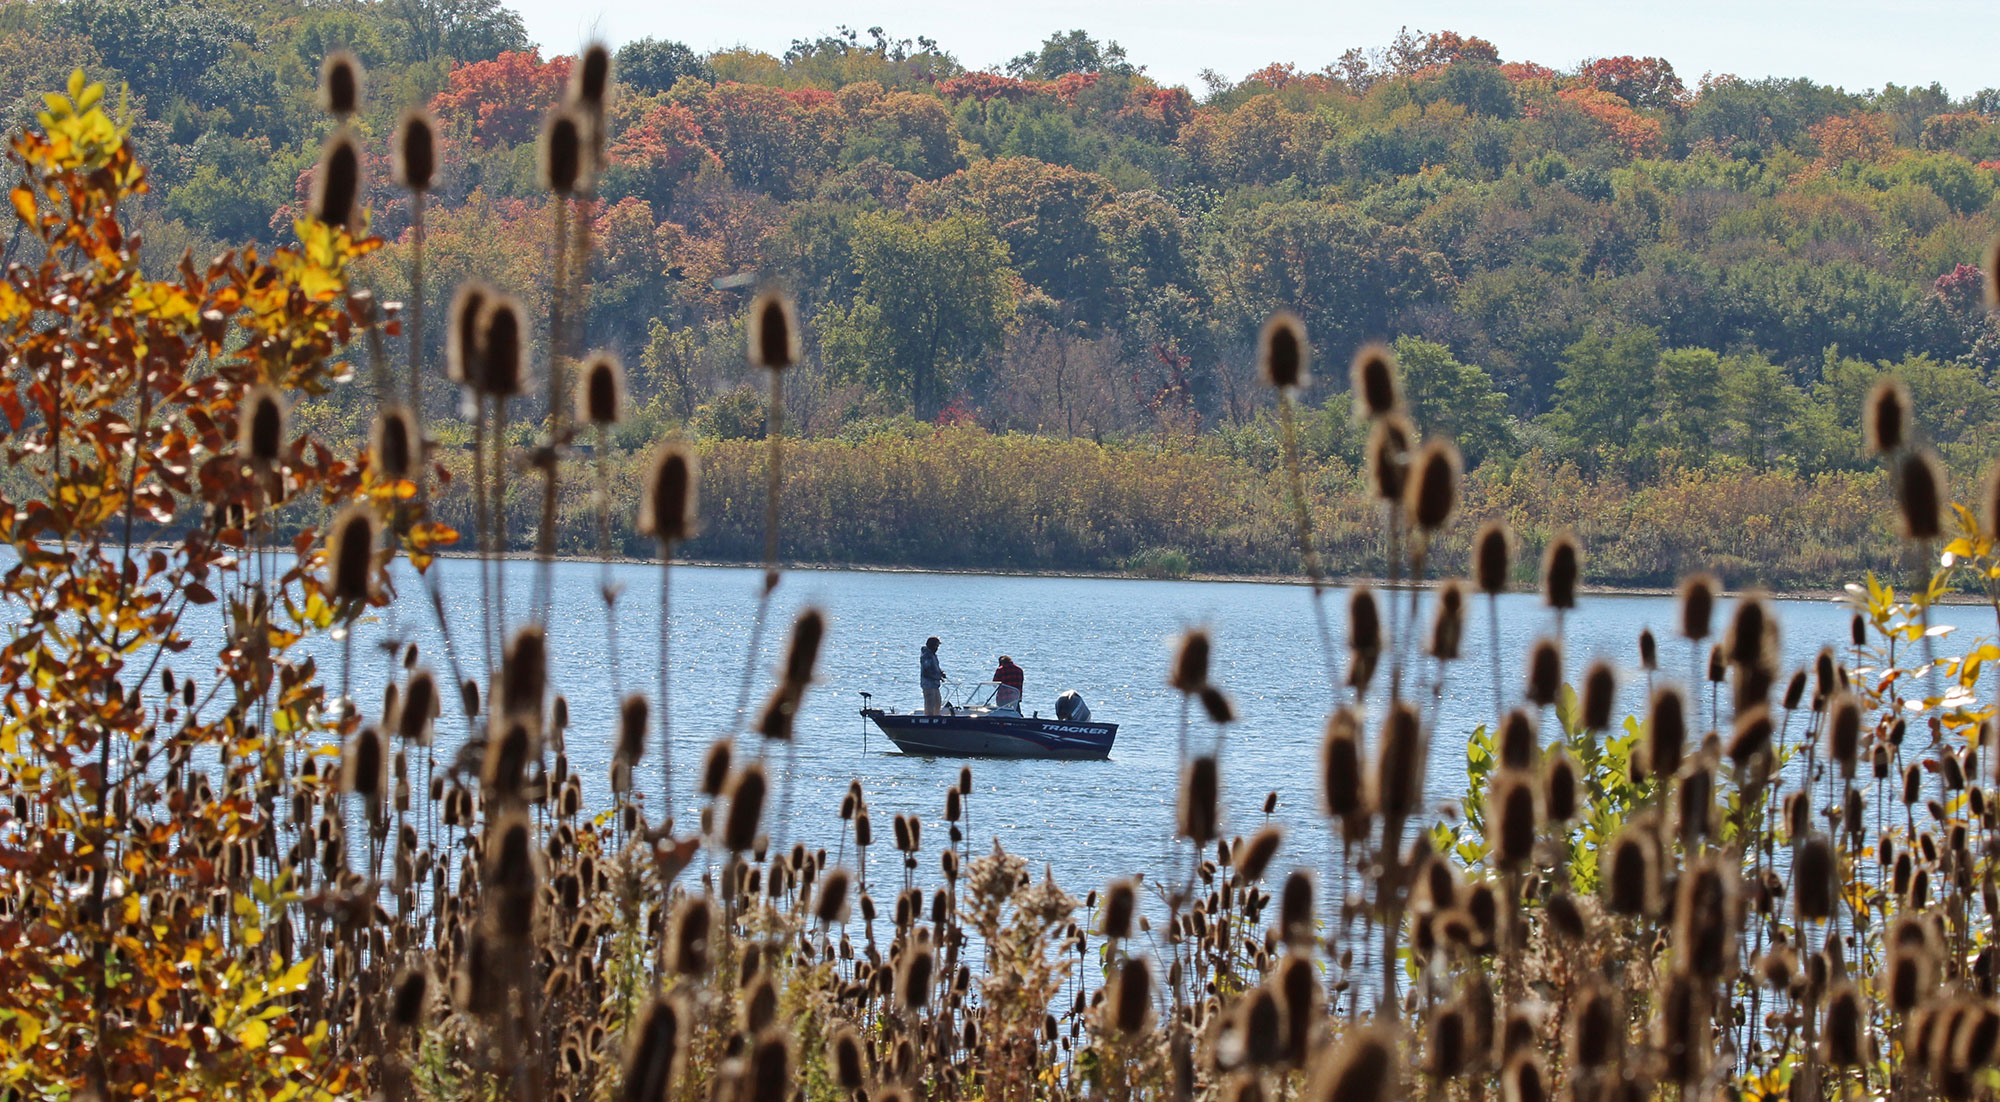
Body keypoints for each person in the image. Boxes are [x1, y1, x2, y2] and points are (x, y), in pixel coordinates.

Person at [920, 636, 946, 715]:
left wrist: (940, 673)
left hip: (935, 685)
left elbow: (934, 668)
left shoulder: (933, 655)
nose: (937, 648)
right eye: (936, 646)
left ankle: (936, 719)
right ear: (932, 645)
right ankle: (929, 720)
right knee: (930, 705)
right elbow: (926, 672)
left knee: (938, 703)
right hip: (928, 685)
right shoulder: (927, 656)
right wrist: (938, 677)